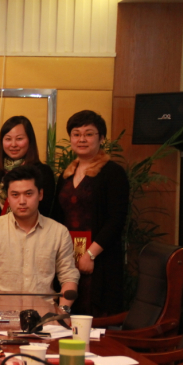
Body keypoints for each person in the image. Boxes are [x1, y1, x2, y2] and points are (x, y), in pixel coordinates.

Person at [52, 110, 129, 317]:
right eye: (76, 134)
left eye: (89, 134)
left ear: (101, 138)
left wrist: (91, 254)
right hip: (68, 256)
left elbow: (116, 219)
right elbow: (58, 218)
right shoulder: (65, 175)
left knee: (94, 315)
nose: (82, 139)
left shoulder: (113, 173)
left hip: (100, 258)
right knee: (66, 314)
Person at [0, 165, 78, 310]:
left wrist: (62, 313)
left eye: (29, 194)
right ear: (7, 197)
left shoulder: (59, 232)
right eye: (15, 195)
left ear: (40, 194)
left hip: (45, 315)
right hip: (2, 316)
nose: (22, 201)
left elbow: (69, 278)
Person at [0, 116, 55, 217]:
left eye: (19, 139)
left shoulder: (43, 172)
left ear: (30, 140)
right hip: (2, 226)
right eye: (8, 139)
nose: (13, 144)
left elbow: (45, 211)